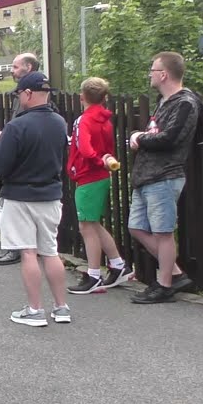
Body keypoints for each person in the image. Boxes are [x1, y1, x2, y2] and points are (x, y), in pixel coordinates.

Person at [0, 71, 70, 327]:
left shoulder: (17, 125)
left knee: (28, 252)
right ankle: (61, 307)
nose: (19, 98)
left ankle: (35, 309)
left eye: (19, 93)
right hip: (50, 194)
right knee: (50, 251)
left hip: (19, 196)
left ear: (28, 93)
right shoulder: (59, 122)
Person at [127, 52, 202, 304]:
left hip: (164, 175)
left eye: (152, 69)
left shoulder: (185, 103)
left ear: (164, 74)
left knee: (163, 232)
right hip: (146, 176)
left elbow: (170, 138)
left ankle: (165, 284)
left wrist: (139, 138)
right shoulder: (164, 101)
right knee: (136, 227)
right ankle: (177, 273)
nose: (150, 74)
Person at [66, 77, 133, 294]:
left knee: (86, 225)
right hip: (101, 175)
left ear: (82, 97)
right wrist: (103, 160)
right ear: (105, 98)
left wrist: (96, 159)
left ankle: (94, 274)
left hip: (88, 175)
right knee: (93, 223)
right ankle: (117, 264)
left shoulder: (84, 120)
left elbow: (85, 149)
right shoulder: (105, 120)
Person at [0, 52, 42, 266]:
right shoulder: (19, 95)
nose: (11, 71)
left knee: (12, 204)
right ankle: (21, 246)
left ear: (28, 67)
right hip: (21, 150)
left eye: (15, 67)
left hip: (24, 157)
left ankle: (15, 248)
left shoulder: (34, 95)